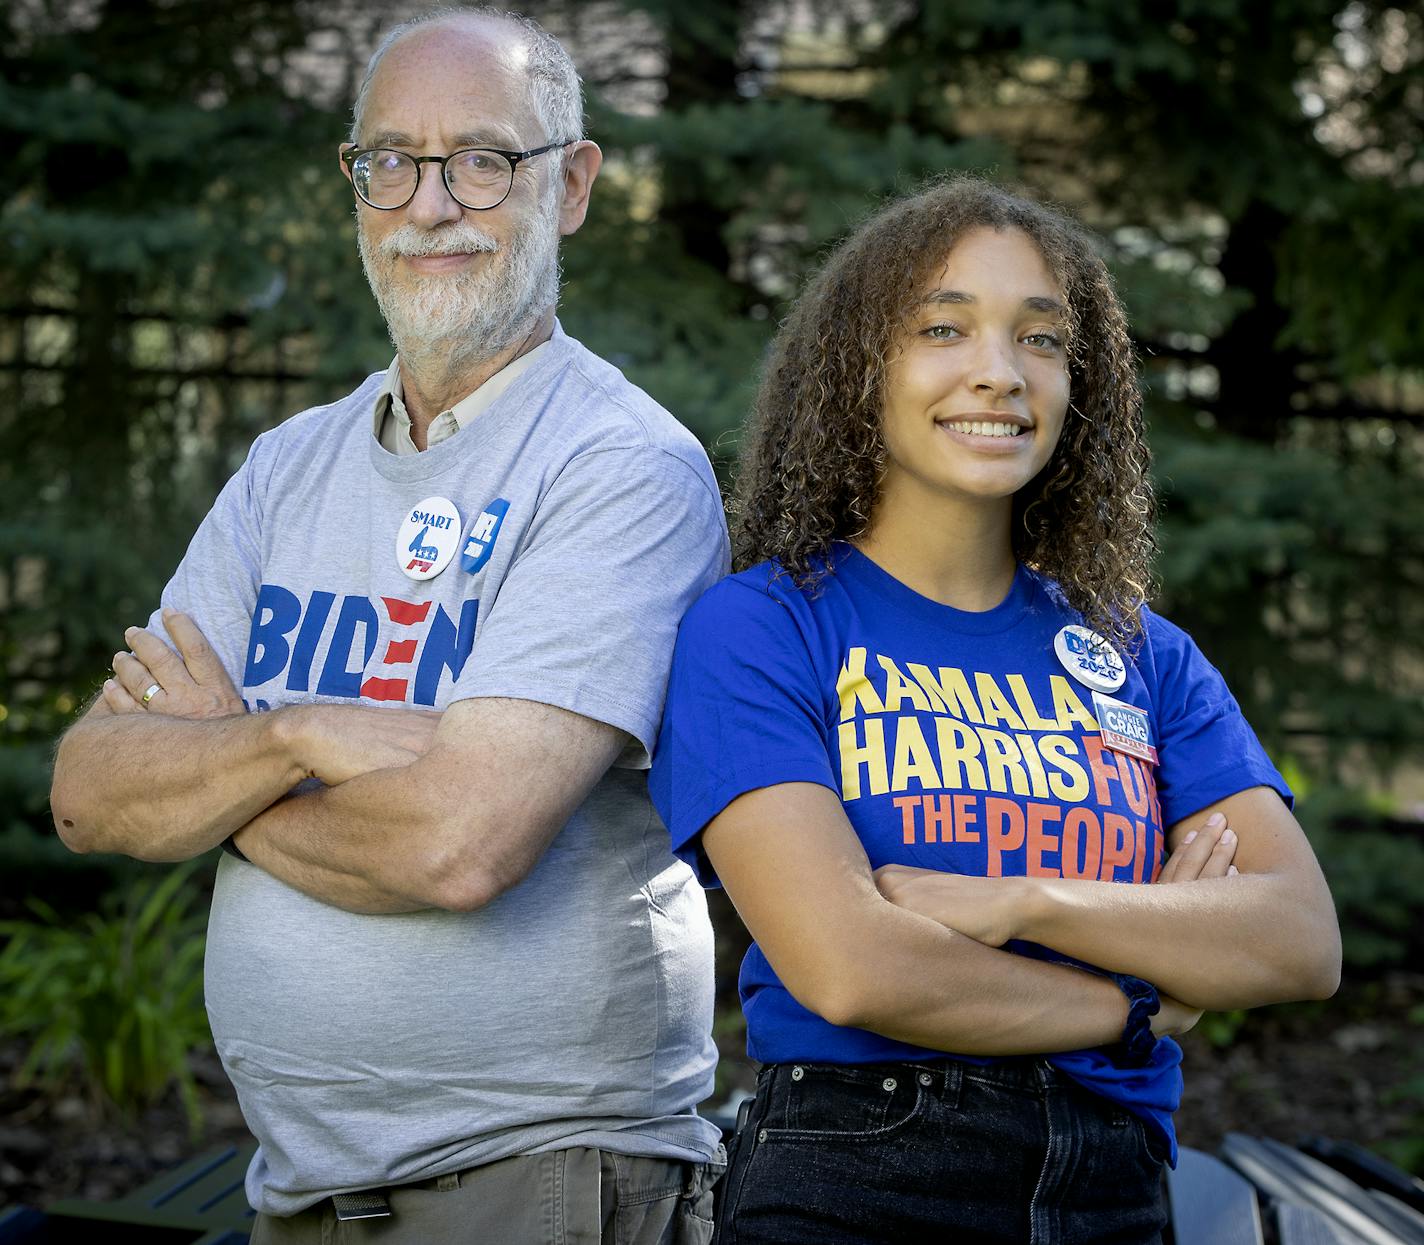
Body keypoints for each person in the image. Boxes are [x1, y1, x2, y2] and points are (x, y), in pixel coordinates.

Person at [50, 7, 727, 1242]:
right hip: (300, 1192)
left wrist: (219, 777)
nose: (430, 205)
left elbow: (458, 846)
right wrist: (300, 735)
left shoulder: (619, 468)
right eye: (389, 163)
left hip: (540, 1179)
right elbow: (94, 792)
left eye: (481, 159)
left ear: (569, 186)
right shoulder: (286, 469)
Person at [649, 176, 1341, 1244]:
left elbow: (1296, 938)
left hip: (1112, 1184)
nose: (998, 372)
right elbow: (849, 968)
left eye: (1040, 339)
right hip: (857, 1172)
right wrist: (1143, 994)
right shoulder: (762, 627)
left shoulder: (1139, 655)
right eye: (941, 327)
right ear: (858, 372)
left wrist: (1025, 902)